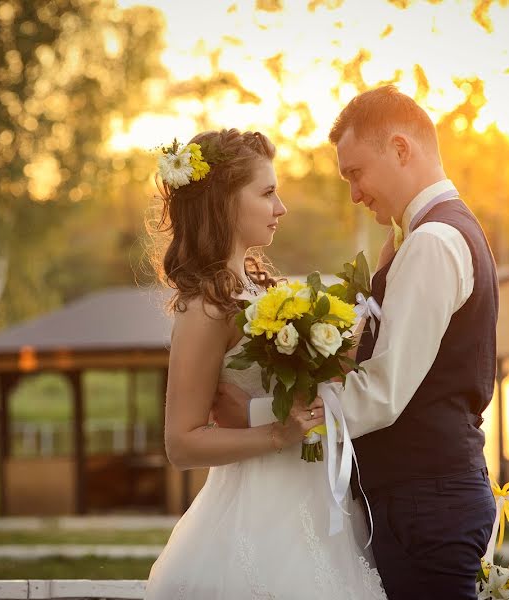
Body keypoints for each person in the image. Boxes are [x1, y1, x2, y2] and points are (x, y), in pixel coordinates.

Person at [215, 86, 499, 599]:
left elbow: (383, 390)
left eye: (355, 173)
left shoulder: (433, 244)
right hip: (426, 497)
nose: (354, 193)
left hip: (427, 502)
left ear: (401, 148)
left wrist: (279, 418)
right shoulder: (428, 235)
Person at [143, 128, 387, 599]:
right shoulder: (206, 309)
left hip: (318, 506)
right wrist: (278, 432)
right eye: (268, 193)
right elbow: (181, 442)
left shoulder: (264, 289)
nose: (282, 208)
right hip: (256, 519)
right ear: (225, 203)